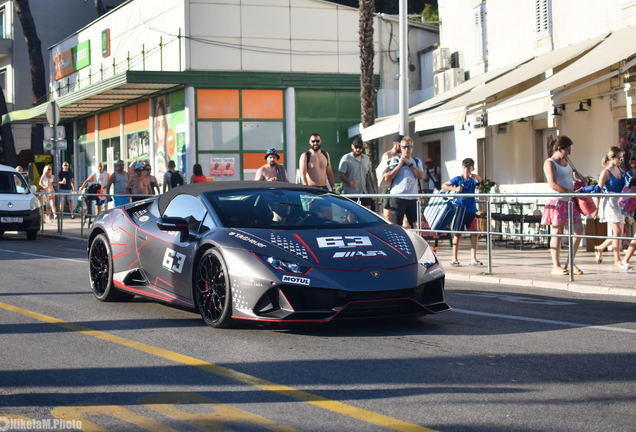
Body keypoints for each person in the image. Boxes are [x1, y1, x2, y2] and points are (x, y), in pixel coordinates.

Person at [541, 135, 585, 276]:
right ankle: (556, 266)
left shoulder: (566, 161)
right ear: (559, 149)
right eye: (567, 150)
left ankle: (570, 263)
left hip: (569, 200)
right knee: (558, 232)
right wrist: (571, 192)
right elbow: (553, 184)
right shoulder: (550, 163)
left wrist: (581, 178)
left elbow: (572, 175)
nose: (569, 153)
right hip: (557, 200)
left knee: (579, 229)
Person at [591, 147, 630, 269]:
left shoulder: (621, 170)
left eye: (622, 158)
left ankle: (600, 248)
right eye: (619, 158)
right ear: (612, 158)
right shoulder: (605, 172)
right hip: (609, 202)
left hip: (619, 202)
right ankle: (617, 259)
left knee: (620, 233)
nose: (621, 160)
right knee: (617, 232)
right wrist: (595, 209)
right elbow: (598, 191)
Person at [442, 158, 482, 267]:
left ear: (472, 168)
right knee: (458, 234)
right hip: (460, 210)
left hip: (471, 210)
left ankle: (473, 259)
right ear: (462, 168)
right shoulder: (458, 179)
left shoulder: (473, 179)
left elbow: (479, 180)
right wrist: (455, 189)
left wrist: (475, 175)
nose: (466, 170)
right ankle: (454, 259)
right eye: (465, 168)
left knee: (474, 233)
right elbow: (444, 185)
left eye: (469, 168)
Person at [384, 136, 424, 229]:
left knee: (416, 225)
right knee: (397, 226)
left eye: (409, 147)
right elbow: (387, 178)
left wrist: (409, 164)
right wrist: (399, 165)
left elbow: (421, 176)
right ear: (400, 147)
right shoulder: (395, 160)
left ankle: (416, 243)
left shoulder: (416, 161)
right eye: (404, 147)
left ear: (412, 147)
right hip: (398, 197)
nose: (407, 149)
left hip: (412, 197)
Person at [338, 137, 372, 209]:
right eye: (356, 147)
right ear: (352, 146)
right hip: (351, 193)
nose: (358, 149)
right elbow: (340, 175)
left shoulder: (366, 159)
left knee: (367, 214)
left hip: (364, 192)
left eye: (360, 148)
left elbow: (368, 175)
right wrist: (349, 182)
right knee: (351, 215)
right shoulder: (346, 158)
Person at [378, 135, 403, 219]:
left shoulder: (403, 156)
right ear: (394, 143)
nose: (401, 147)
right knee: (387, 213)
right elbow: (383, 172)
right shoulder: (388, 155)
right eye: (400, 145)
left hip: (399, 186)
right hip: (388, 187)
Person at [154, 96, 168, 181]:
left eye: (163, 124)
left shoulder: (168, 152)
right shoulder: (155, 154)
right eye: (158, 125)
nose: (160, 131)